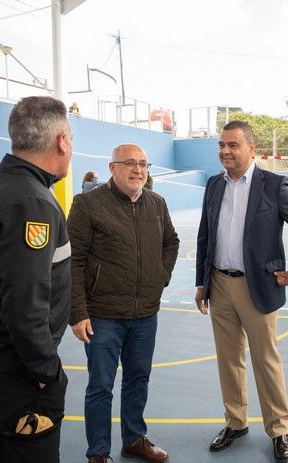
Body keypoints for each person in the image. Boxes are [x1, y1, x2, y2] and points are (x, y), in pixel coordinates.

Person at [0, 96, 73, 463]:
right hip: (17, 370)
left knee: (9, 449)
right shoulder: (31, 204)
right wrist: (46, 374)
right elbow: (25, 305)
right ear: (61, 141)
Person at [195, 121, 288, 460]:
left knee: (266, 361)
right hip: (219, 283)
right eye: (221, 145)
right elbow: (206, 234)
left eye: (232, 145)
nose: (225, 151)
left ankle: (278, 429)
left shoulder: (274, 185)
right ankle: (236, 421)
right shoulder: (214, 185)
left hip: (257, 286)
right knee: (228, 361)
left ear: (251, 148)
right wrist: (201, 283)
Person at [68, 144, 180, 463]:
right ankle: (98, 452)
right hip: (102, 315)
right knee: (101, 386)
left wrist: (161, 276)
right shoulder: (87, 204)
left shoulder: (156, 204)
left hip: (145, 314)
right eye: (129, 163)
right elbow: (72, 261)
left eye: (143, 164)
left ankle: (133, 439)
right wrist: (77, 313)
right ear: (112, 168)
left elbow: (170, 242)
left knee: (138, 378)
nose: (138, 169)